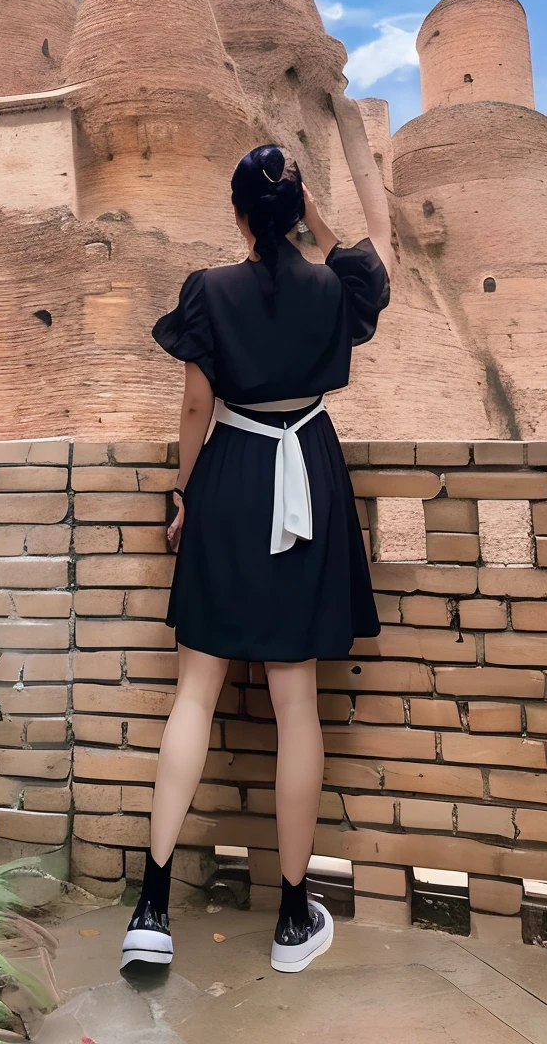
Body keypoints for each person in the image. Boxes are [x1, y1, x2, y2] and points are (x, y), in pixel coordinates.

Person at [120, 91, 393, 976]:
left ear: (238, 215)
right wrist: (309, 205)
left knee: (193, 694)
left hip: (233, 475)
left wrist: (181, 490)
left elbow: (197, 406)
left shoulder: (208, 290)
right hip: (307, 474)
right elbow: (368, 263)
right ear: (294, 213)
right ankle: (289, 918)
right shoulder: (333, 286)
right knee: (296, 705)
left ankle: (152, 910)